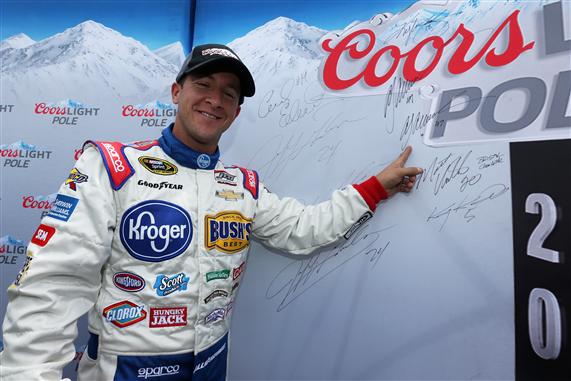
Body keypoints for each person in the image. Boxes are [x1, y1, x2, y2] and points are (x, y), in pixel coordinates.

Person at [0, 44, 422, 381]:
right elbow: (52, 286)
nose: (215, 100)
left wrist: (373, 189)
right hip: (125, 370)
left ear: (236, 112)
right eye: (203, 84)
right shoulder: (110, 167)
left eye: (229, 94)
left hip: (212, 363)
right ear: (176, 92)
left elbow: (304, 230)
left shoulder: (241, 186)